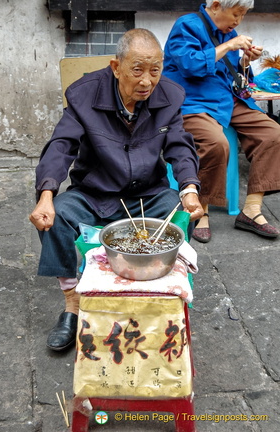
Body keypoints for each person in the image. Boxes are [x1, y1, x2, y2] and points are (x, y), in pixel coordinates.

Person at [29, 28, 203, 351]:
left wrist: (189, 189)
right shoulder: (84, 95)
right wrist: (46, 194)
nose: (147, 81)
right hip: (95, 193)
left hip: (148, 194)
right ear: (116, 66)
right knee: (58, 215)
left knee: (180, 213)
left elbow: (180, 146)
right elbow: (60, 146)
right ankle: (73, 304)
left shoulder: (170, 96)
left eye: (156, 70)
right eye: (137, 70)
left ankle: (159, 299)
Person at [163, 0, 280, 243]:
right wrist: (229, 45)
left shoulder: (229, 33)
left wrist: (246, 60)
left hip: (226, 98)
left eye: (242, 16)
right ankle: (201, 209)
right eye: (236, 14)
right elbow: (190, 65)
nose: (238, 21)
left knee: (273, 133)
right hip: (191, 100)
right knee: (216, 143)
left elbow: (232, 73)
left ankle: (251, 209)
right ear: (216, 5)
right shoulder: (187, 25)